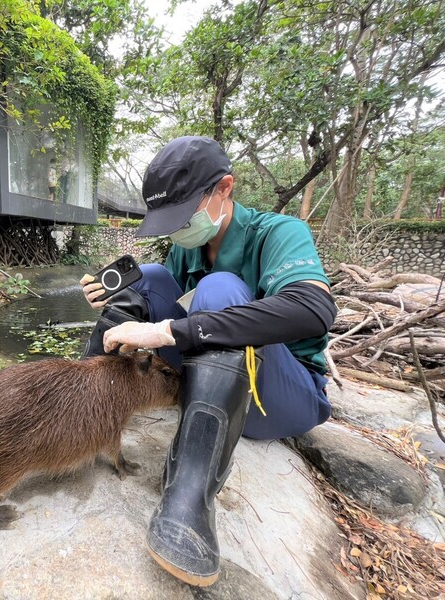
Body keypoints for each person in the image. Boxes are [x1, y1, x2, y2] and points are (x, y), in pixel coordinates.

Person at [79, 136, 337, 587]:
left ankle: (190, 495)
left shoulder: (278, 232)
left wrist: (169, 332)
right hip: (219, 376)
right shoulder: (187, 248)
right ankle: (83, 400)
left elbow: (313, 309)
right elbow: (159, 296)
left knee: (219, 290)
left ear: (224, 189)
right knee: (149, 277)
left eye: (182, 216)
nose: (176, 230)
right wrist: (120, 301)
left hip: (281, 398)